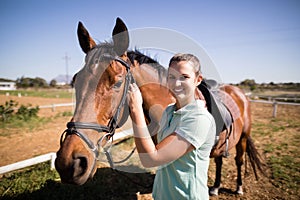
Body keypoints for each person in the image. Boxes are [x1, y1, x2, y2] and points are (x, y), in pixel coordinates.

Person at [127, 53, 216, 200]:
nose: (176, 83)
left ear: (197, 80)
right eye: (171, 77)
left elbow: (151, 159)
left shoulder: (199, 119)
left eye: (184, 77)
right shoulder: (169, 111)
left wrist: (136, 108)